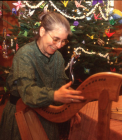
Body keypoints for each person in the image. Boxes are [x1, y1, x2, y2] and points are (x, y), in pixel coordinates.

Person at [0, 12, 85, 140]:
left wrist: (71, 108)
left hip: (47, 115)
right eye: (55, 39)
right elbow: (27, 92)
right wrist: (54, 95)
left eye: (63, 41)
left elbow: (60, 87)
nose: (58, 45)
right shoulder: (25, 55)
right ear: (42, 31)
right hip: (21, 115)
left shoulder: (58, 58)